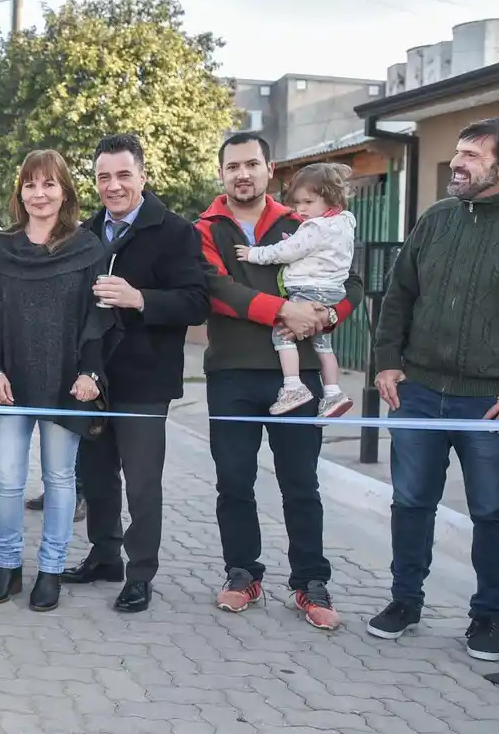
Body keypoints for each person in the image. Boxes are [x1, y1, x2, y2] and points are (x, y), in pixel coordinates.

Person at [369, 117, 499, 663]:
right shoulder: (435, 220)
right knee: (411, 501)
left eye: (472, 156)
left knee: (492, 510)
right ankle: (404, 602)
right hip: (418, 391)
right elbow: (398, 297)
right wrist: (387, 362)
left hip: (492, 404)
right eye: (456, 152)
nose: (457, 163)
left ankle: (488, 617)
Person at [195, 131, 362, 631]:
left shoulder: (304, 218)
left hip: (301, 373)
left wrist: (326, 317)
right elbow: (215, 289)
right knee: (234, 482)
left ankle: (310, 582)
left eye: (252, 164)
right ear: (222, 173)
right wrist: (283, 309)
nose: (242, 174)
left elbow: (350, 280)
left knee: (301, 484)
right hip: (230, 373)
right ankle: (243, 573)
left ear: (270, 169)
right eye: (232, 167)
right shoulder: (204, 227)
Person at [64, 133, 209, 614]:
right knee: (97, 474)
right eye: (104, 176)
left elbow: (195, 301)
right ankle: (104, 555)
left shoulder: (175, 231)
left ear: (143, 176)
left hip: (146, 378)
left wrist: (139, 298)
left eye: (123, 174)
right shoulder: (85, 233)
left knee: (143, 482)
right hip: (92, 379)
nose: (113, 185)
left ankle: (140, 572)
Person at [0, 149, 110, 613]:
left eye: (49, 183)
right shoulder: (0, 249)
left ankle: (50, 570)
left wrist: (91, 372)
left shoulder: (88, 248)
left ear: (65, 191)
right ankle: (8, 566)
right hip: (9, 385)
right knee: (7, 479)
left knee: (58, 478)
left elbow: (98, 318)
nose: (40, 193)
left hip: (64, 385)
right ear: (20, 193)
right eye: (31, 184)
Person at [237, 163, 357, 417]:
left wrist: (253, 254)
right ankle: (333, 392)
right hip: (331, 292)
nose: (301, 210)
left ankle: (293, 385)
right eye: (297, 203)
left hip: (308, 290)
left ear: (330, 198)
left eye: (308, 202)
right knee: (323, 344)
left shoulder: (314, 227)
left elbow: (286, 251)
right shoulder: (344, 222)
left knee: (281, 334)